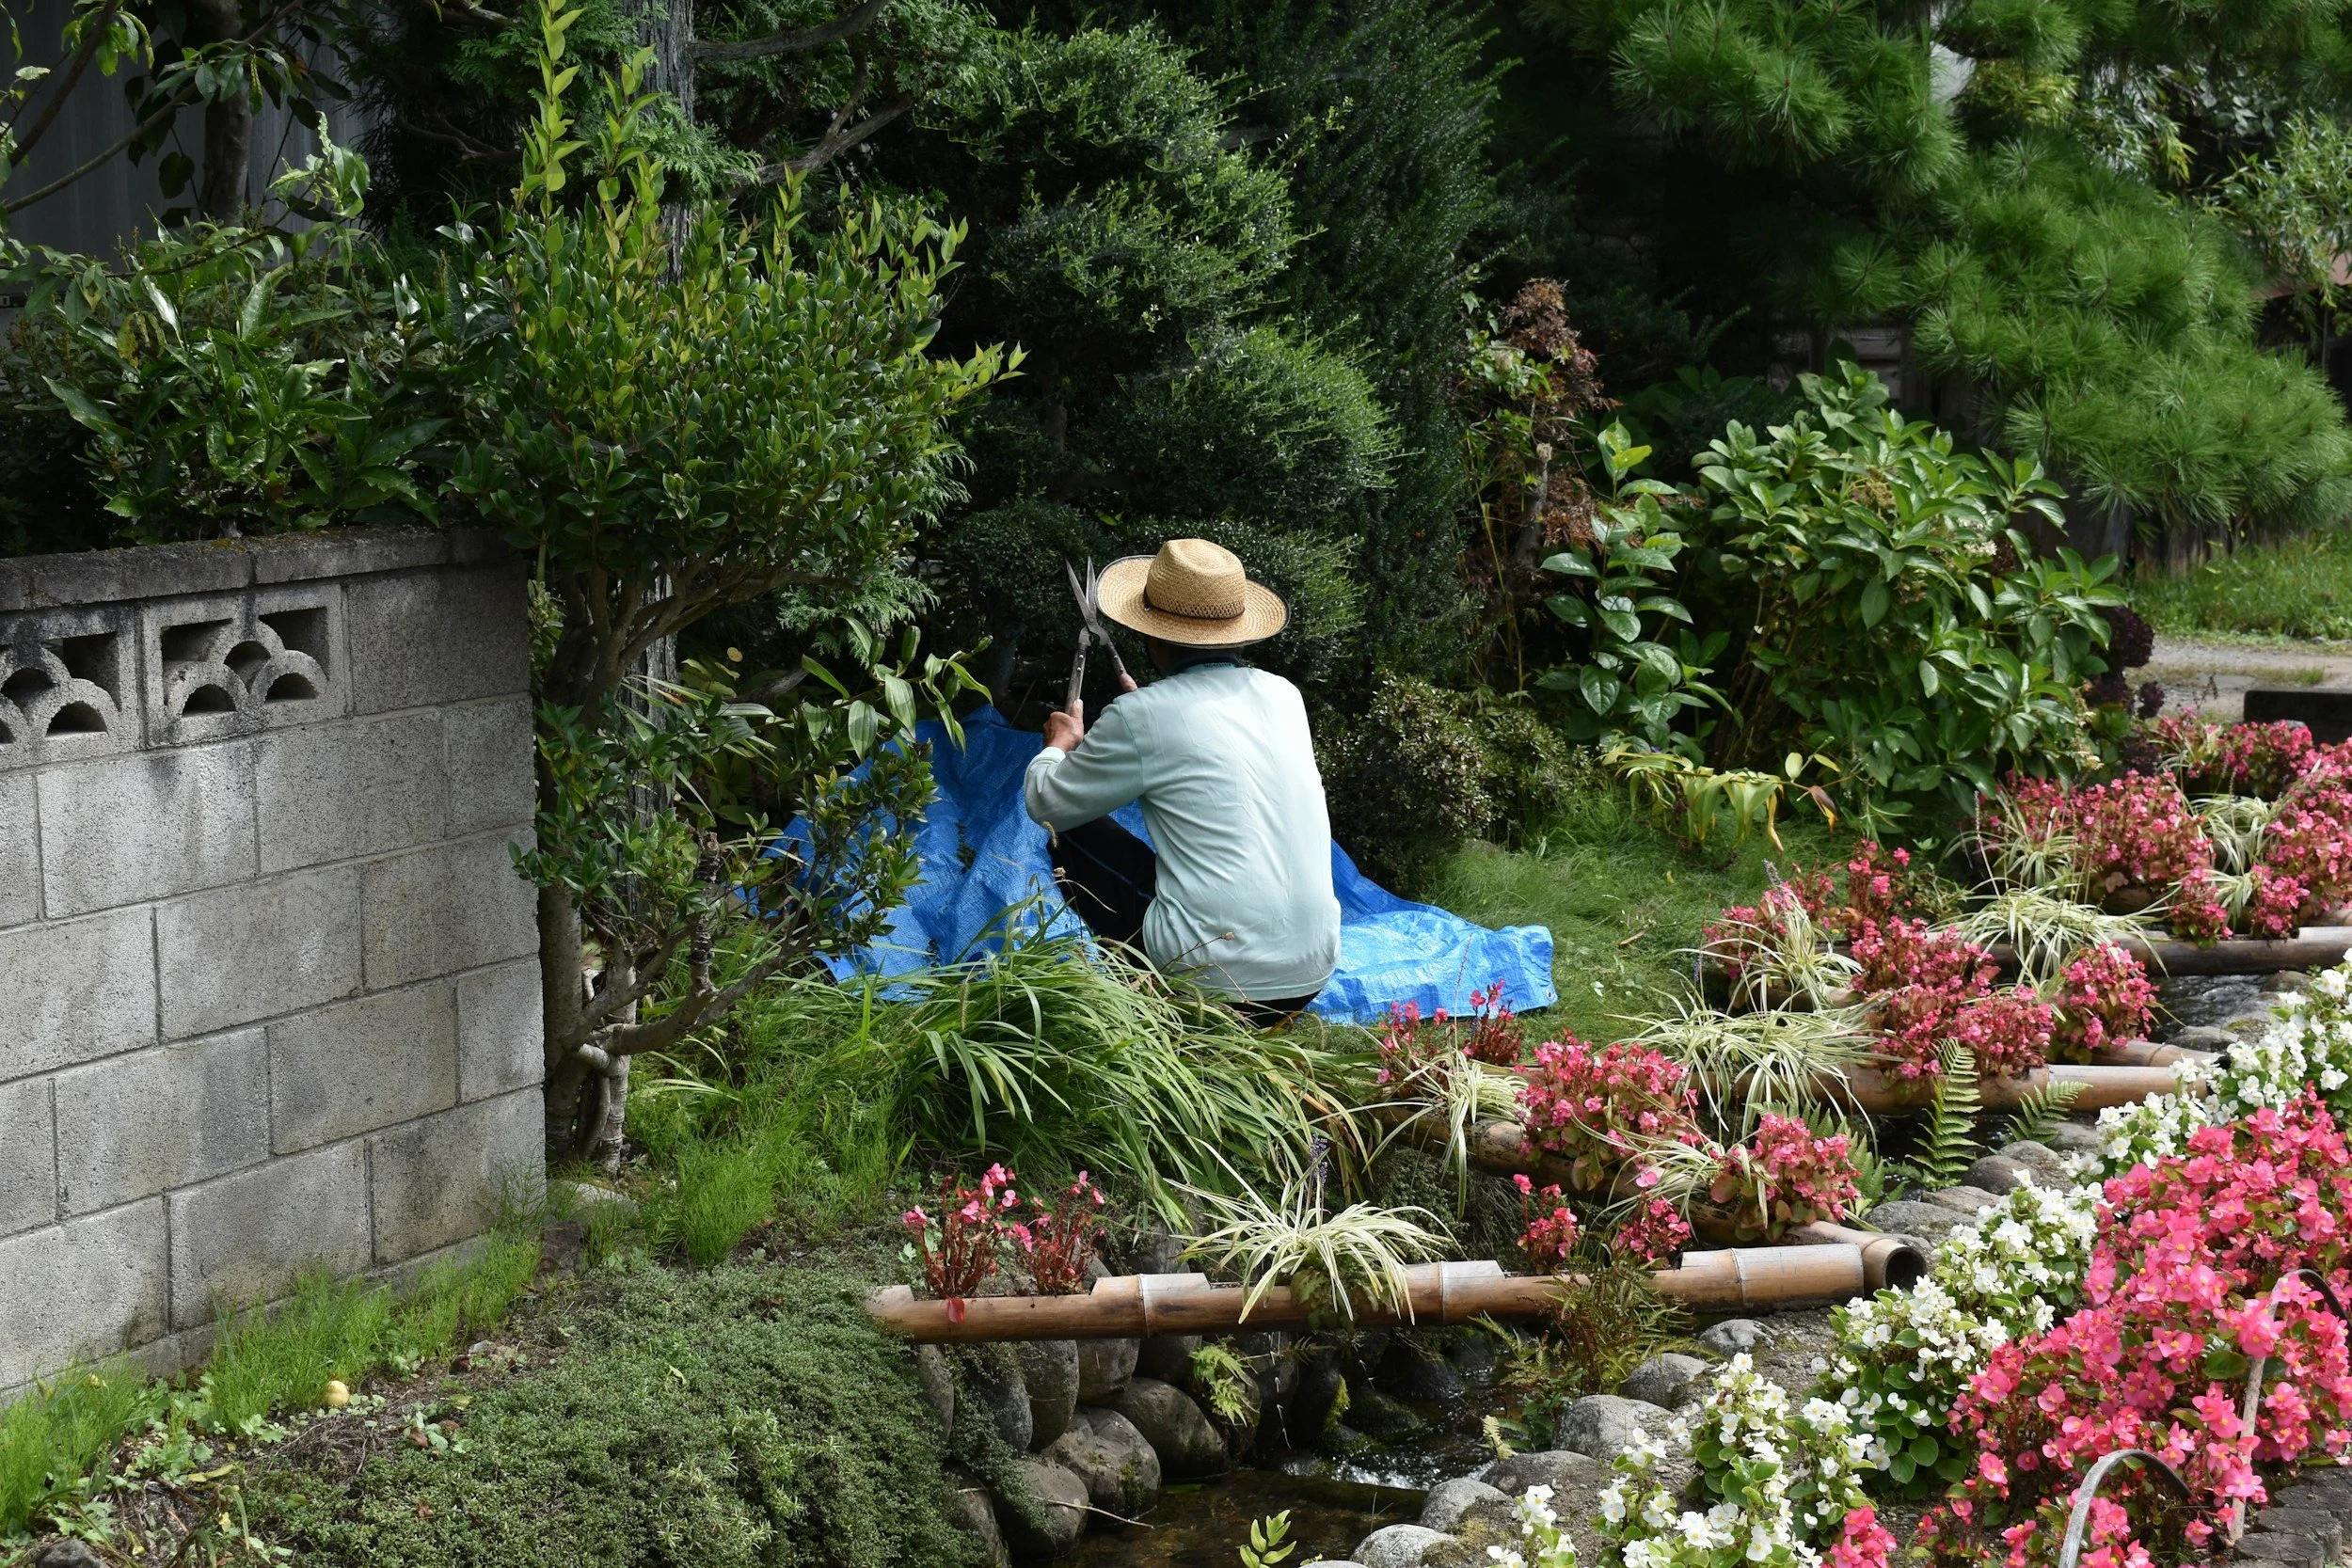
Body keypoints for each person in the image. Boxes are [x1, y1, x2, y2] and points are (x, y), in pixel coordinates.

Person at [1022, 538, 1341, 1024]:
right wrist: (1144, 711)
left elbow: (1046, 802)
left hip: (1215, 982)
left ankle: (1147, 1010)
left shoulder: (1142, 714)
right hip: (1310, 972)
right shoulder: (1284, 695)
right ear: (1238, 632)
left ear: (1153, 637)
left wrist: (1057, 745)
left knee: (1070, 828)